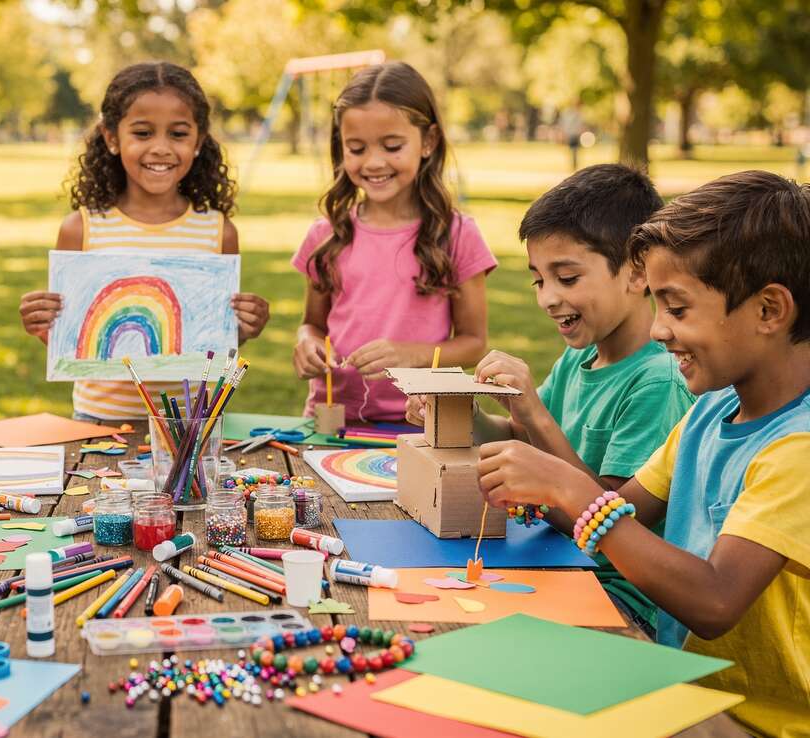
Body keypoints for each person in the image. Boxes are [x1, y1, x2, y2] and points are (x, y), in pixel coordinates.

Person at [477, 171, 810, 735]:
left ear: (769, 310)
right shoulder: (710, 412)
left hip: (756, 724)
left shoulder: (797, 447)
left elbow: (715, 601)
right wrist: (541, 483)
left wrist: (569, 487)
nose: (657, 330)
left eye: (677, 309)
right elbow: (620, 510)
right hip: (681, 686)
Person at [408, 164, 692, 634]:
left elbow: (611, 517)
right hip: (554, 561)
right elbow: (520, 438)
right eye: (539, 280)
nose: (547, 298)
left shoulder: (657, 382)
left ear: (637, 273)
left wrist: (534, 412)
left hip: (618, 596)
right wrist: (461, 412)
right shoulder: (579, 358)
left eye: (567, 278)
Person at [17, 61, 270, 421]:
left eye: (178, 134)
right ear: (111, 138)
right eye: (143, 133)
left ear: (199, 141)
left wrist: (243, 328)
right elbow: (74, 341)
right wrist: (44, 325)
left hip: (188, 425)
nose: (161, 148)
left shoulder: (218, 231)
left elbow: (214, 342)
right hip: (99, 422)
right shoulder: (81, 228)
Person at [292, 62, 496, 423]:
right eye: (357, 148)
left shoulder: (458, 235)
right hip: (332, 423)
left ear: (428, 142)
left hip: (421, 425)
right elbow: (313, 324)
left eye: (392, 146)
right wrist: (308, 343)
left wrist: (410, 354)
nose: (374, 162)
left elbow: (474, 344)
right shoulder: (325, 235)